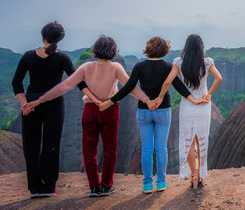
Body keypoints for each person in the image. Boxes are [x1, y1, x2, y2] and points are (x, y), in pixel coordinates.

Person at [25, 35, 152, 197]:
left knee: (88, 149)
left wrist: (41, 100)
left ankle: (94, 187)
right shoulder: (115, 67)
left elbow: (65, 85)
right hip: (110, 108)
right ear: (112, 51)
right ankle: (106, 186)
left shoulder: (86, 67)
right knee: (110, 148)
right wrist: (147, 100)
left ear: (96, 50)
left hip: (90, 109)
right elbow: (130, 87)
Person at [99, 36, 209, 193]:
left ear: (148, 49)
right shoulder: (167, 66)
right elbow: (179, 87)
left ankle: (147, 184)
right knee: (161, 147)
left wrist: (110, 101)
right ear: (164, 50)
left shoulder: (139, 66)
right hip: (163, 110)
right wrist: (194, 99)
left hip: (144, 111)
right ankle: (162, 182)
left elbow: (128, 87)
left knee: (147, 148)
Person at [12, 21, 91, 198]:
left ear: (43, 36)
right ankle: (48, 187)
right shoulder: (62, 58)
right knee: (51, 145)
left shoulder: (28, 56)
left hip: (31, 102)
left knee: (31, 146)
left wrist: (24, 103)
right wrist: (92, 97)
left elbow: (16, 82)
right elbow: (76, 80)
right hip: (53, 103)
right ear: (60, 38)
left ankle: (34, 188)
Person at [160, 34, 222, 189]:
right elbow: (219, 78)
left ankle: (194, 174)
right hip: (204, 104)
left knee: (189, 141)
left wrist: (160, 97)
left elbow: (168, 81)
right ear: (201, 48)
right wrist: (209, 94)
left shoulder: (179, 63)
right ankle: (201, 175)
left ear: (186, 47)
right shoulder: (207, 63)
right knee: (202, 139)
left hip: (187, 104)